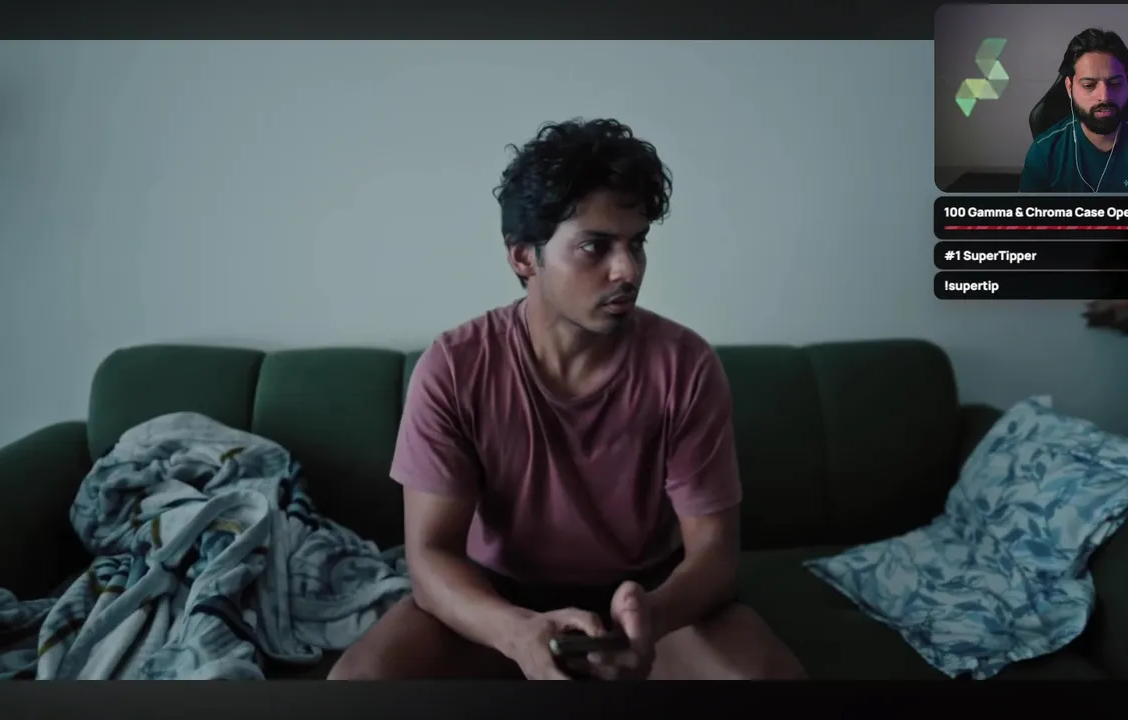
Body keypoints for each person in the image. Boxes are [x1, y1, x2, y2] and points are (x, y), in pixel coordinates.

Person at [328, 118, 807, 681]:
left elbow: (714, 554)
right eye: (594, 246)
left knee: (769, 683)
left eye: (636, 244)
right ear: (523, 258)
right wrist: (516, 631)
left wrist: (650, 618)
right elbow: (430, 555)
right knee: (358, 684)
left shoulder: (685, 365)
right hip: (499, 602)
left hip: (647, 601)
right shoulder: (455, 366)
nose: (627, 270)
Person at [1020, 28, 1128, 193]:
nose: (1104, 97)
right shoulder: (1043, 152)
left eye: (1115, 84)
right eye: (1089, 85)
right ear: (1070, 88)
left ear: (1127, 83)